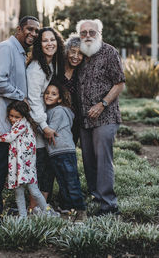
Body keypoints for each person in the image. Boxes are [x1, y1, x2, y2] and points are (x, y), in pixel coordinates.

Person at [0, 16, 40, 226]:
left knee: (2, 168)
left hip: (9, 123)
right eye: (29, 29)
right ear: (19, 29)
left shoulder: (18, 51)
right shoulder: (7, 48)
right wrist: (19, 96)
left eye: (36, 31)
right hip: (1, 123)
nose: (32, 34)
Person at [76, 19, 125, 216]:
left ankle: (109, 205)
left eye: (91, 32)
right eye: (83, 33)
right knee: (88, 160)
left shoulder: (109, 52)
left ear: (99, 33)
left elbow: (119, 83)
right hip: (84, 118)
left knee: (103, 159)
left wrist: (102, 104)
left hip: (106, 116)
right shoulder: (79, 54)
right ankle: (96, 196)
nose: (87, 36)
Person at [0, 100, 59, 218]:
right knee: (19, 191)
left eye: (17, 116)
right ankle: (23, 216)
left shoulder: (22, 124)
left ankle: (47, 213)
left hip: (25, 166)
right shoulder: (19, 124)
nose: (13, 119)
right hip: (18, 165)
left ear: (23, 116)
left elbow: (10, 137)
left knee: (34, 191)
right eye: (11, 116)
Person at [27, 27, 65, 210]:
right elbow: (33, 101)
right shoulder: (36, 69)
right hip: (35, 125)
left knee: (47, 166)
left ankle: (42, 206)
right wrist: (44, 125)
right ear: (39, 45)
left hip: (44, 123)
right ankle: (34, 209)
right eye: (45, 40)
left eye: (52, 39)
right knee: (40, 167)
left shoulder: (51, 64)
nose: (49, 43)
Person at [44, 80, 86, 219]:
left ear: (60, 98)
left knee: (71, 181)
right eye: (47, 93)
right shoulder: (50, 110)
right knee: (62, 181)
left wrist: (37, 124)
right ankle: (68, 208)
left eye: (54, 94)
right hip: (55, 152)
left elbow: (50, 131)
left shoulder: (60, 111)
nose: (49, 95)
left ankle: (80, 210)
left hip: (65, 151)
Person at [63, 35, 83, 144]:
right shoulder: (57, 69)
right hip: (56, 120)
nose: (76, 56)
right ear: (67, 51)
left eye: (80, 53)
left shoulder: (81, 73)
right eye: (73, 51)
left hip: (75, 122)